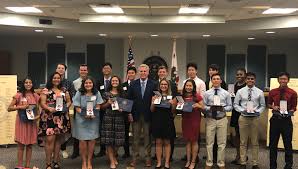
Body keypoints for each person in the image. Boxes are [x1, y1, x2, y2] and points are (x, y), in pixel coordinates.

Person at [38, 72, 72, 169]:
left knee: (58, 141)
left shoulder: (64, 90)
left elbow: (69, 101)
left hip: (61, 118)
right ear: (51, 79)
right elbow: (42, 103)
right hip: (49, 117)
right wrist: (49, 108)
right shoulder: (46, 90)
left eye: (58, 78)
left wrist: (66, 107)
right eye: (54, 78)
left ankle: (56, 162)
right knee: (50, 140)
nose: (56, 79)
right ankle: (48, 163)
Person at [234, 72, 266, 169]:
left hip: (255, 118)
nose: (250, 80)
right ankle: (243, 163)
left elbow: (263, 105)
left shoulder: (259, 92)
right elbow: (236, 104)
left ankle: (255, 163)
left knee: (255, 142)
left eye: (252, 79)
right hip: (243, 118)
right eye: (248, 79)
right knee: (243, 142)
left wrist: (258, 111)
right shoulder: (240, 91)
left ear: (255, 80)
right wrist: (241, 110)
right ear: (246, 80)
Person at [127, 64, 157, 167]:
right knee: (135, 138)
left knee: (147, 138)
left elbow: (156, 99)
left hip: (148, 115)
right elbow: (129, 100)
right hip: (135, 115)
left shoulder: (154, 84)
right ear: (138, 72)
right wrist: (129, 113)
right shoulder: (133, 84)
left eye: (145, 71)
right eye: (141, 71)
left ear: (148, 72)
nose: (143, 73)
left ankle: (148, 158)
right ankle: (135, 157)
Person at [8, 77, 40, 169]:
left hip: (31, 124)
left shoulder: (35, 96)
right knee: (21, 145)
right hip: (21, 123)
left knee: (30, 146)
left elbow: (38, 112)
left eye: (30, 82)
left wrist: (36, 118)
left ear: (32, 84)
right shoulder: (18, 95)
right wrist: (20, 107)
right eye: (26, 82)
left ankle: (27, 166)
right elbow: (9, 108)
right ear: (23, 84)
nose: (28, 84)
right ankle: (19, 166)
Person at [72, 76, 103, 169]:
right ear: (83, 84)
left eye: (90, 83)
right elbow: (76, 106)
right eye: (86, 83)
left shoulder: (97, 93)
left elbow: (98, 105)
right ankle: (84, 162)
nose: (88, 85)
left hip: (93, 119)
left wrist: (94, 114)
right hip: (81, 120)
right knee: (82, 141)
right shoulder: (79, 92)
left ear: (93, 84)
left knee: (92, 141)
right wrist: (84, 114)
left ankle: (89, 161)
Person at [268, 72, 297, 169]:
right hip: (275, 120)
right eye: (281, 79)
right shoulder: (272, 92)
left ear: (288, 80)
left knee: (288, 144)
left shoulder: (293, 93)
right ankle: (273, 166)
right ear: (278, 80)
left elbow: (294, 107)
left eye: (284, 79)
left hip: (286, 121)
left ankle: (288, 165)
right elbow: (268, 104)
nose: (283, 81)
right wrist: (273, 106)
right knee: (273, 144)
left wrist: (290, 111)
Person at [203, 73, 232, 169]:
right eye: (214, 79)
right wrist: (210, 108)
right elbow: (204, 106)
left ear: (220, 81)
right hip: (210, 119)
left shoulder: (226, 93)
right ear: (211, 81)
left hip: (222, 119)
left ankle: (221, 162)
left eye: (217, 79)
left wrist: (223, 108)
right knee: (209, 143)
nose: (216, 80)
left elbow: (230, 107)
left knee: (222, 143)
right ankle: (209, 162)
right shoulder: (207, 93)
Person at [182, 63, 206, 162]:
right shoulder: (184, 85)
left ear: (196, 71)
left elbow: (203, 104)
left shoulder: (201, 83)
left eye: (192, 70)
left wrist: (198, 105)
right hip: (186, 117)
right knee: (187, 140)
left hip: (195, 117)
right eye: (189, 70)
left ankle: (194, 159)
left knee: (195, 140)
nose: (191, 71)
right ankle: (188, 159)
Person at [151, 78, 177, 169]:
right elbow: (152, 110)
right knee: (158, 142)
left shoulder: (172, 97)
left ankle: (166, 162)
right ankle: (158, 162)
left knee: (167, 142)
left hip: (168, 121)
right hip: (157, 120)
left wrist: (173, 104)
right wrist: (153, 102)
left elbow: (174, 111)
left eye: (165, 84)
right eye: (162, 84)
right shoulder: (155, 96)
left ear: (168, 86)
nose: (163, 86)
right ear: (159, 86)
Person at [100, 76, 126, 169]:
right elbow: (101, 107)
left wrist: (123, 109)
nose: (114, 82)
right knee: (109, 141)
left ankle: (113, 155)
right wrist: (108, 103)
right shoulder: (105, 94)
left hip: (119, 118)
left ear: (119, 82)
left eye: (116, 80)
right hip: (108, 118)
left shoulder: (122, 93)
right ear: (110, 82)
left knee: (118, 140)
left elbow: (125, 105)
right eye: (113, 80)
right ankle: (112, 161)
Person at [154, 66, 178, 161]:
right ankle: (158, 158)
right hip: (157, 116)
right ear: (158, 73)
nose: (162, 73)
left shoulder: (172, 84)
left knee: (169, 140)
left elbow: (175, 97)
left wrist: (174, 108)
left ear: (166, 73)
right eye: (160, 71)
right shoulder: (154, 84)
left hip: (168, 116)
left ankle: (169, 157)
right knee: (158, 140)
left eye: (163, 71)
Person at [56, 63, 76, 159]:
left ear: (65, 70)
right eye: (59, 68)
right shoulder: (51, 80)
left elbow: (72, 96)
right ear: (56, 69)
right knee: (53, 132)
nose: (60, 69)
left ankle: (63, 149)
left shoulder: (69, 83)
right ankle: (53, 151)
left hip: (64, 112)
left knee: (63, 132)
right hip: (52, 112)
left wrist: (67, 104)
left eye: (62, 68)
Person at [71, 64, 89, 159]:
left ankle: (90, 151)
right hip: (78, 108)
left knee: (88, 129)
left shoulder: (91, 81)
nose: (83, 71)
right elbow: (73, 96)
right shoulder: (74, 82)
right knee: (77, 129)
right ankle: (75, 151)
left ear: (87, 71)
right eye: (81, 70)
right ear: (79, 71)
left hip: (89, 109)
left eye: (85, 70)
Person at [95, 62, 113, 157]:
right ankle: (102, 149)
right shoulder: (98, 82)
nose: (106, 70)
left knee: (111, 130)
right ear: (102, 70)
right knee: (102, 129)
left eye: (108, 68)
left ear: (111, 70)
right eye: (104, 68)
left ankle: (112, 150)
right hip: (101, 109)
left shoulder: (114, 81)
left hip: (113, 109)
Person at [230, 68, 247, 165]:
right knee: (237, 135)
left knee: (243, 136)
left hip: (244, 112)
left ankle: (243, 156)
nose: (239, 76)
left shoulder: (247, 85)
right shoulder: (234, 86)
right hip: (235, 112)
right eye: (237, 74)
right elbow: (231, 97)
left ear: (245, 75)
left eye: (241, 74)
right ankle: (238, 155)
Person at [121, 66, 137, 158]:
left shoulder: (138, 85)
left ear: (135, 74)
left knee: (136, 133)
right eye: (129, 73)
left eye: (132, 73)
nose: (130, 74)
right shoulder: (123, 85)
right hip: (125, 113)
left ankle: (136, 152)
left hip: (135, 112)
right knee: (125, 133)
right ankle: (126, 152)